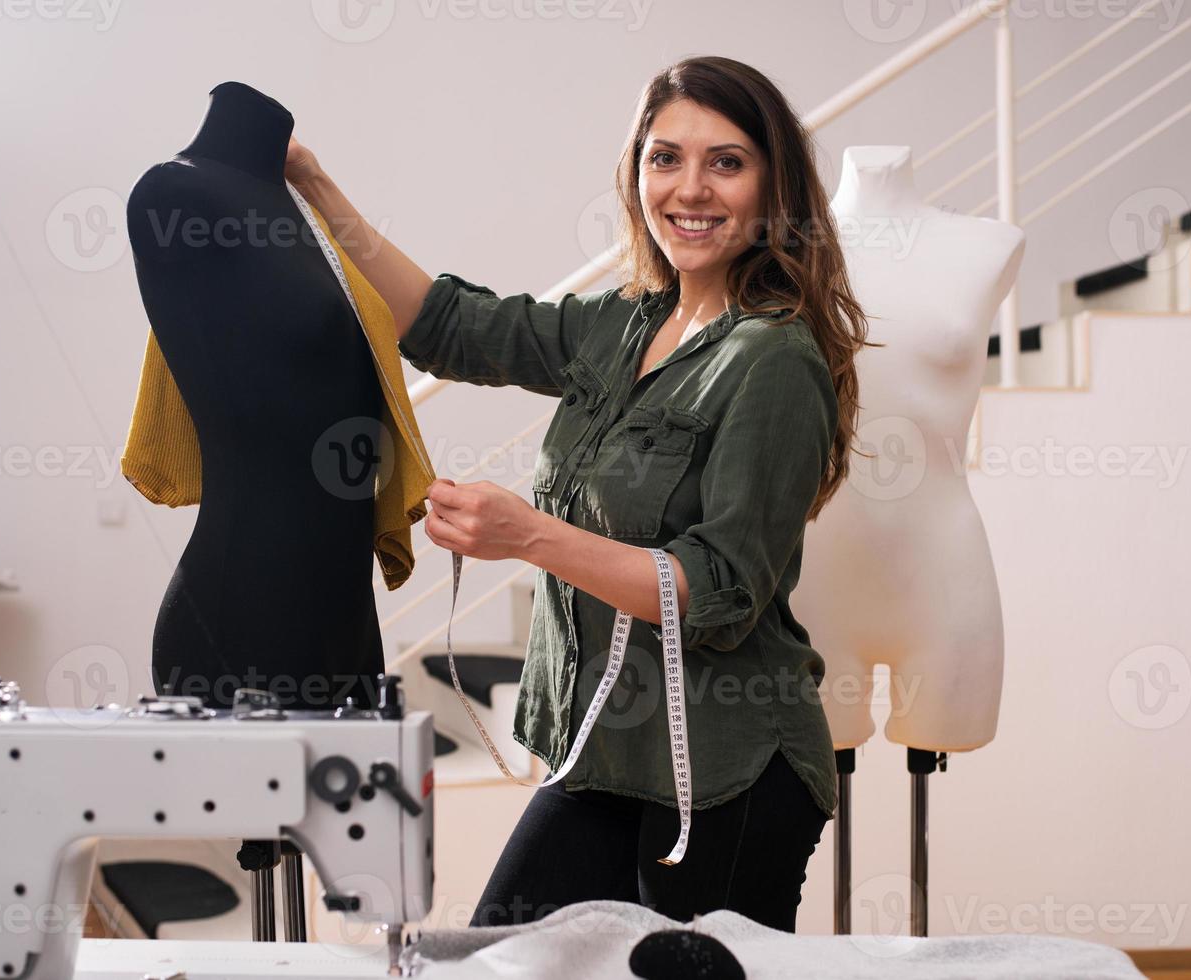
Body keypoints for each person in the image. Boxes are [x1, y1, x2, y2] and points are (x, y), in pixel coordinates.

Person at [286, 55, 874, 933]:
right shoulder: (620, 322)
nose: (690, 188)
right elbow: (447, 326)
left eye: (727, 161)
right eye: (665, 157)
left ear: (772, 186)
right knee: (497, 957)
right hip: (603, 753)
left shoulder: (773, 360)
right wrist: (313, 183)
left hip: (726, 771)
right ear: (636, 172)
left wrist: (527, 538)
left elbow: (716, 600)